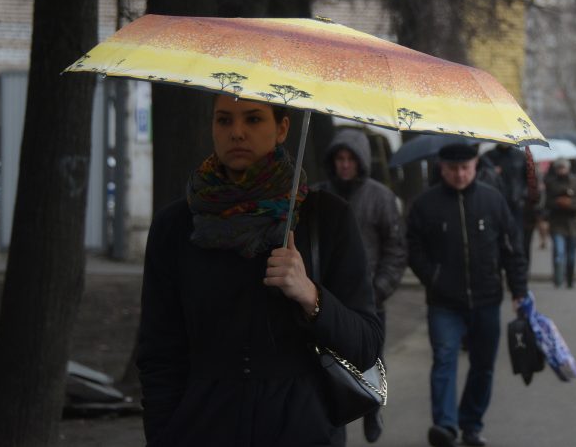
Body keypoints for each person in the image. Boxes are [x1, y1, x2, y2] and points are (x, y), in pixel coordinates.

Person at [137, 96, 383, 447]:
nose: (236, 133)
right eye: (224, 120)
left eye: (253, 120)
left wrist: (311, 296)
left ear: (282, 129)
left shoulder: (326, 218)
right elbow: (159, 355)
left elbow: (366, 345)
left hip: (302, 430)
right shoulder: (175, 226)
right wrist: (162, 436)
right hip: (202, 429)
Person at [406, 142, 528, 447]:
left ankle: (471, 424)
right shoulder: (425, 205)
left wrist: (519, 291)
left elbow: (511, 249)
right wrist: (432, 277)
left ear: (476, 165)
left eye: (465, 168)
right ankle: (445, 426)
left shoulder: (492, 200)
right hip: (444, 302)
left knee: (483, 365)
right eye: (452, 169)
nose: (460, 175)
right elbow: (413, 248)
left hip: (487, 298)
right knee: (444, 359)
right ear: (441, 168)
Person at [313, 128, 407, 443]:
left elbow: (395, 249)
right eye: (339, 158)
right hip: (325, 299)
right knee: (325, 365)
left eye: (350, 159)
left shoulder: (380, 198)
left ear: (361, 161)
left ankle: (371, 408)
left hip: (369, 300)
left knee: (369, 361)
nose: (344, 165)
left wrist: (378, 290)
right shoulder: (317, 196)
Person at [544, 158, 576, 288]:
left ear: (568, 168)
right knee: (559, 252)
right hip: (557, 222)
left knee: (572, 254)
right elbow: (546, 202)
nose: (561, 170)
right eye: (559, 168)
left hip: (573, 222)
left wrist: (571, 203)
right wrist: (558, 202)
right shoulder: (551, 182)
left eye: (563, 167)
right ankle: (558, 279)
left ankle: (570, 279)